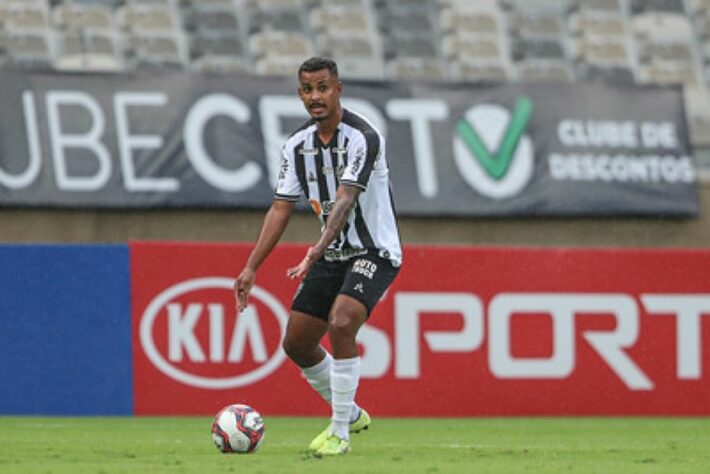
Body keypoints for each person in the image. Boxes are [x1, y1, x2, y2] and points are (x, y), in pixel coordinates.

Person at [234, 56, 402, 457]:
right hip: (330, 252)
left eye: (323, 87)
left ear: (338, 88)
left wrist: (313, 251)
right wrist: (250, 267)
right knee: (297, 342)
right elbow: (280, 208)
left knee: (342, 322)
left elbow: (345, 200)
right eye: (308, 90)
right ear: (300, 95)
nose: (316, 96)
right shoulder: (296, 146)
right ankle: (352, 411)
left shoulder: (363, 137)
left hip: (374, 250)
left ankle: (339, 432)